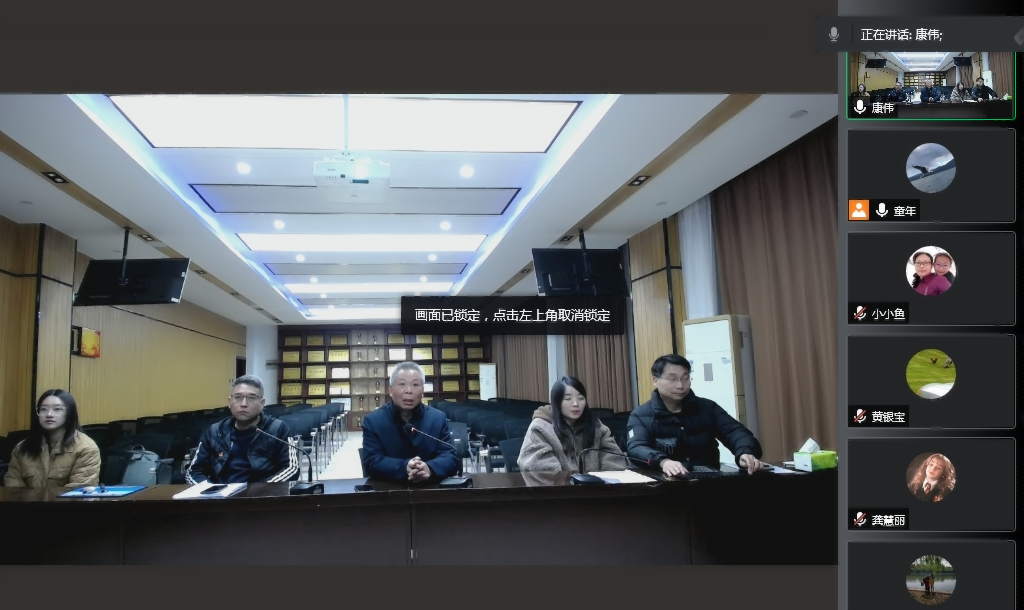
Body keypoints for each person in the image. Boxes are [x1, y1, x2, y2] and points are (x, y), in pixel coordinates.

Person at [627, 355, 765, 476]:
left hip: (708, 481)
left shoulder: (708, 408)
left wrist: (745, 452)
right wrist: (663, 461)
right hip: (663, 484)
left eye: (685, 378)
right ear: (655, 381)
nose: (680, 385)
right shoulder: (640, 415)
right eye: (672, 379)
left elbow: (734, 431)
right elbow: (636, 447)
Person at [185, 375, 299, 484]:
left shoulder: (277, 428)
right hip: (221, 495)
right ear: (229, 402)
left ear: (262, 404)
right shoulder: (215, 431)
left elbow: (291, 468)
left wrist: (261, 489)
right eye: (238, 397)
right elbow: (193, 472)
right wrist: (210, 490)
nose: (244, 404)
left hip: (260, 494)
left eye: (251, 398)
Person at [360, 361, 459, 483]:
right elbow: (371, 461)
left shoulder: (438, 418)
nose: (409, 390)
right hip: (389, 489)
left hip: (431, 488)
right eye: (402, 384)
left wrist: (430, 469)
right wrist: (404, 467)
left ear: (423, 391)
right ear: (390, 390)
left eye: (415, 385)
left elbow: (450, 457)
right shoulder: (373, 421)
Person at [517, 375, 628, 473]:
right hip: (558, 489)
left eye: (580, 398)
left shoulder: (597, 427)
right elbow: (540, 469)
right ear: (556, 402)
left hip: (595, 488)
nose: (575, 404)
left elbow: (615, 463)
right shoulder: (540, 428)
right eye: (568, 399)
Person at [4, 390, 101, 488]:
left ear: (69, 413)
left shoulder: (85, 448)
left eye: (57, 409)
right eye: (43, 409)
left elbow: (78, 491)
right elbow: (13, 487)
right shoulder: (22, 448)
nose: (49, 414)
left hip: (66, 498)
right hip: (26, 499)